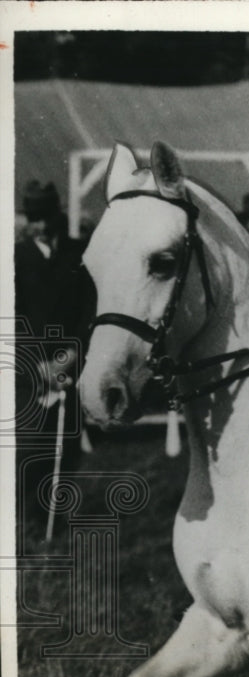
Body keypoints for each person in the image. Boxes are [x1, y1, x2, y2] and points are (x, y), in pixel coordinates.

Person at [15, 180, 92, 539]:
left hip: (70, 364)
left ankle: (52, 516)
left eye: (45, 217)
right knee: (28, 446)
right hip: (27, 371)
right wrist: (39, 364)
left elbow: (89, 308)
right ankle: (23, 516)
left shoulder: (79, 254)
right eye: (33, 218)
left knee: (65, 445)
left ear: (57, 214)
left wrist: (72, 352)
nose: (41, 226)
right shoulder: (14, 258)